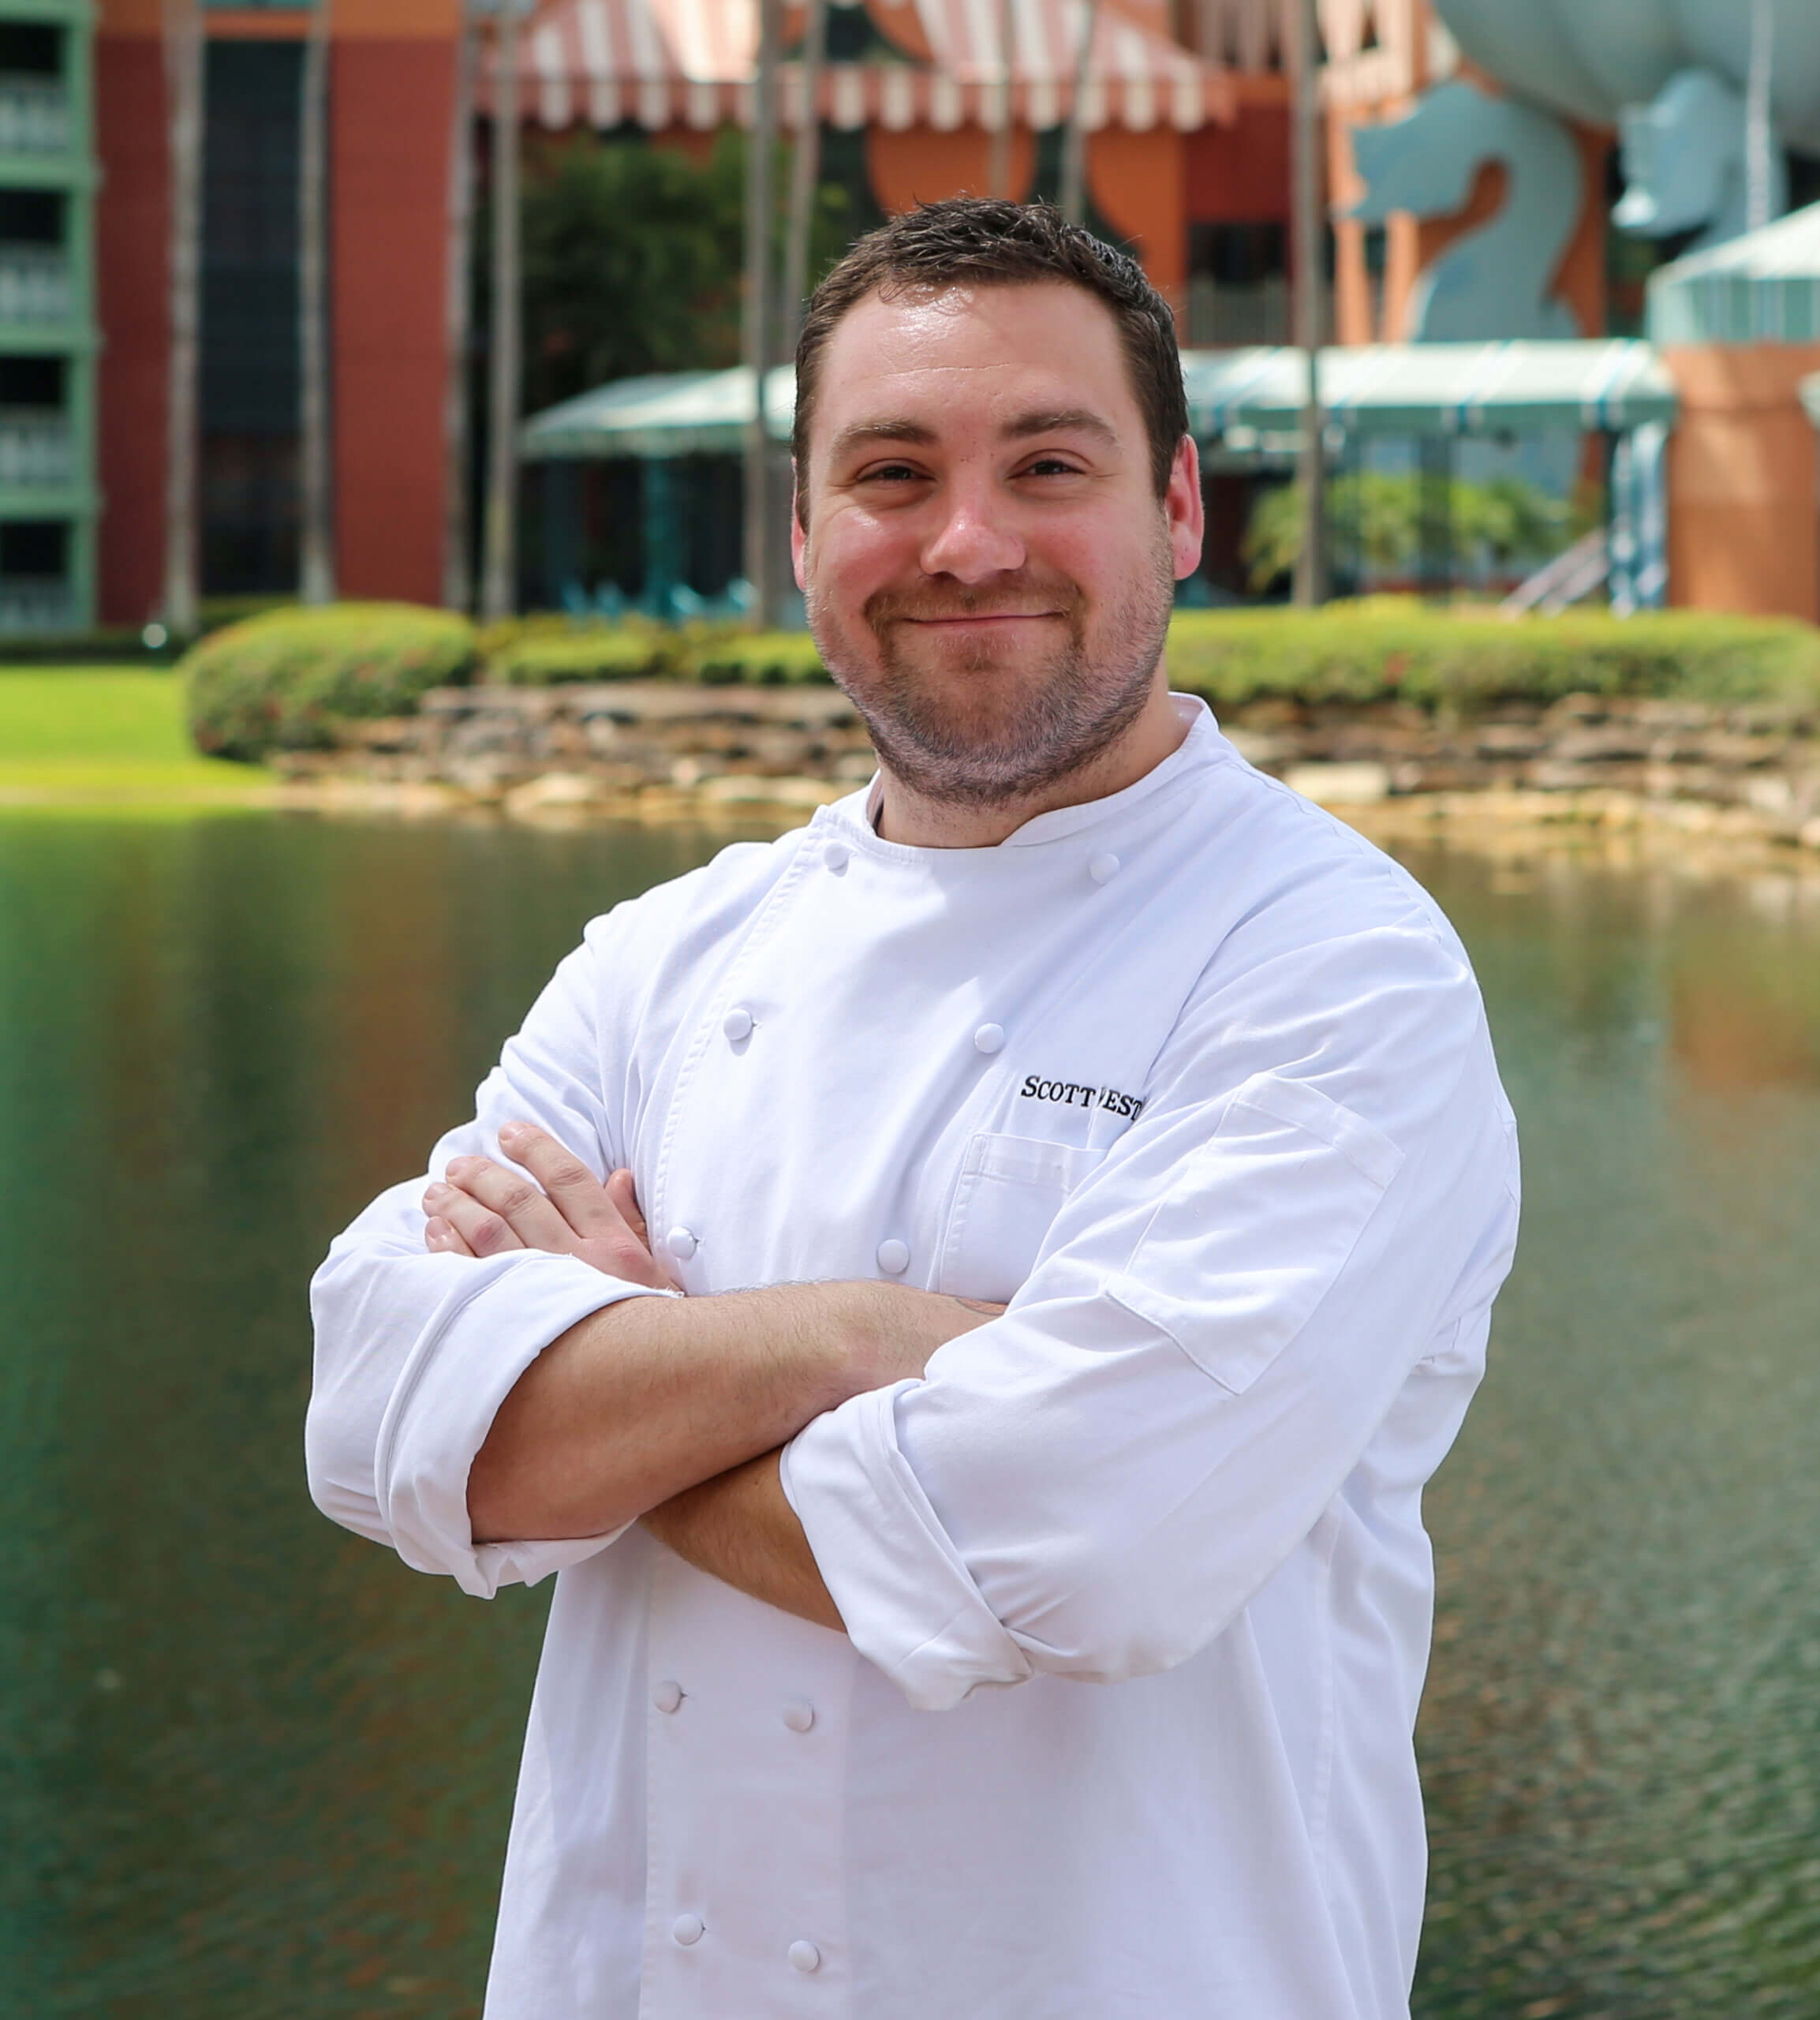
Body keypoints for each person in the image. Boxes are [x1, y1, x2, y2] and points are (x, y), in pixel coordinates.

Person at [307, 198, 1519, 2019]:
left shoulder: (1335, 972)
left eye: (1047, 461)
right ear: (801, 530)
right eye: (889, 470)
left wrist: (605, 1386)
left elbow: (1077, 1548)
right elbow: (380, 1413)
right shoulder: (664, 954)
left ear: (1177, 507)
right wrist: (873, 1338)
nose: (966, 540)